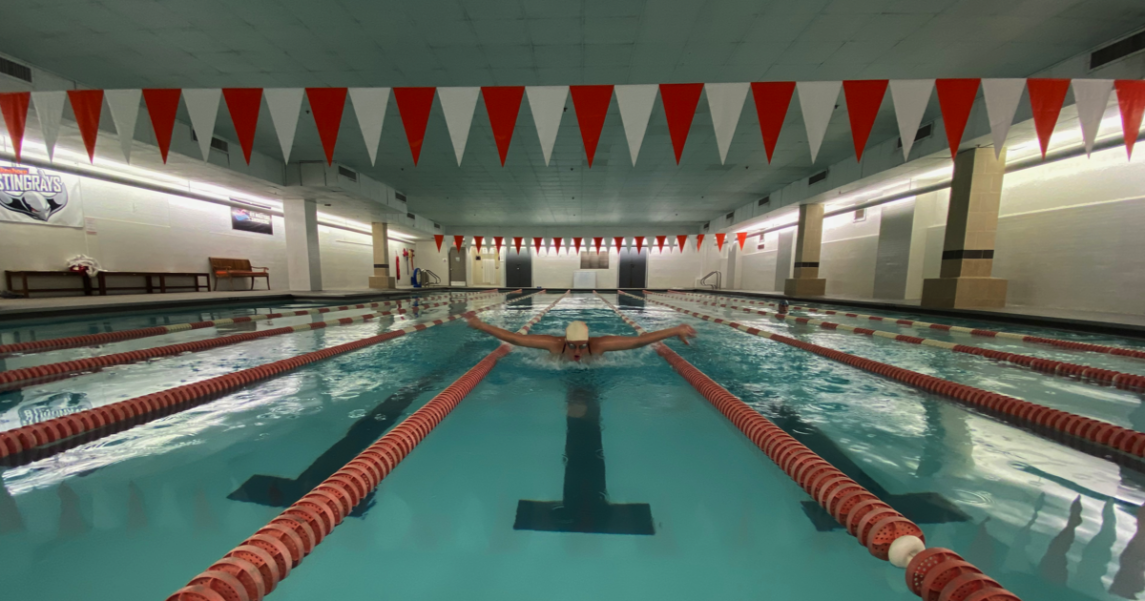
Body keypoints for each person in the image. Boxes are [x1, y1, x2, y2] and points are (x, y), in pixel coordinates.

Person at [465, 316, 696, 362]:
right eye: (573, 346)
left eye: (582, 346)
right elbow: (514, 339)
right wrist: (481, 325)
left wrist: (675, 329)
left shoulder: (599, 345)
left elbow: (637, 342)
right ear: (564, 341)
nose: (577, 352)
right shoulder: (553, 345)